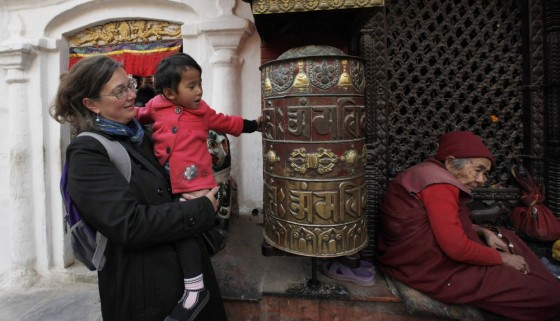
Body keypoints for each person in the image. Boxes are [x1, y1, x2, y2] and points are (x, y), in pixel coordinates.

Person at [49, 55, 228, 321]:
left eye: (130, 84)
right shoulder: (87, 153)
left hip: (186, 274)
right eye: (120, 91)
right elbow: (128, 224)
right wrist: (201, 208)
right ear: (92, 104)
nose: (133, 94)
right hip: (148, 292)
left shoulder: (140, 135)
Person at [376, 130, 560, 321]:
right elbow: (456, 248)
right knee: (548, 297)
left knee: (504, 235)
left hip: (411, 261)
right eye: (478, 170)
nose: (481, 180)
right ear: (449, 163)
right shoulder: (439, 185)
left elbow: (440, 222)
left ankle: (542, 279)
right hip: (429, 270)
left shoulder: (429, 173)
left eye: (485, 174)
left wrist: (482, 231)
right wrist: (501, 258)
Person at [135, 52, 261, 321]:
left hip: (196, 182)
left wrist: (254, 125)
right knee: (177, 232)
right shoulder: (156, 106)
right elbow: (137, 115)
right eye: (191, 86)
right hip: (166, 182)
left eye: (199, 83)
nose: (199, 90)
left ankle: (195, 289)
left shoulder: (202, 111)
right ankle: (189, 284)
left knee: (187, 232)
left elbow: (227, 122)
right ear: (169, 93)